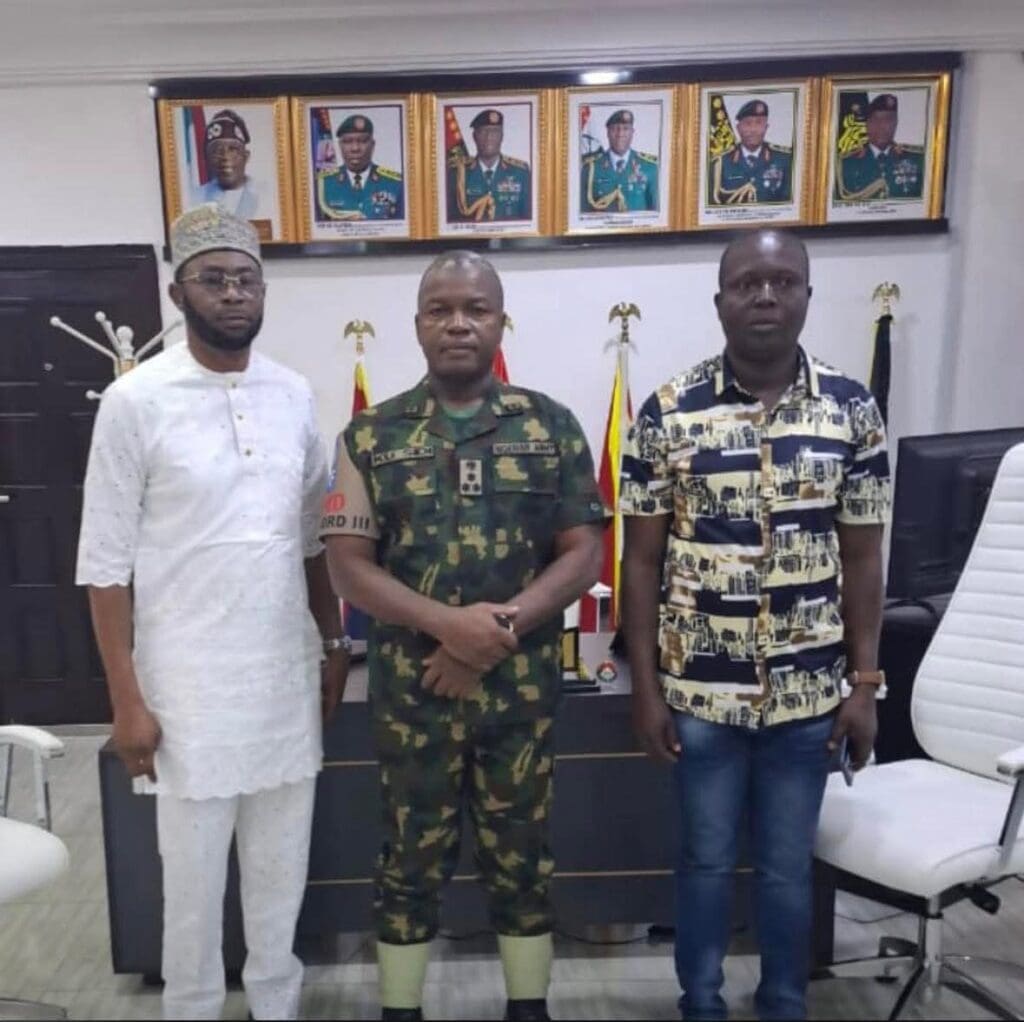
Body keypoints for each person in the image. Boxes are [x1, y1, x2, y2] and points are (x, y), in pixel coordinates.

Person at [76, 203, 350, 1020]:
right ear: (178, 290)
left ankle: (277, 1007)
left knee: (279, 879)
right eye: (213, 279)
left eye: (245, 279)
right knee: (191, 893)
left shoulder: (295, 395)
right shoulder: (136, 402)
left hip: (281, 679)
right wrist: (126, 701)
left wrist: (331, 641)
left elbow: (311, 540)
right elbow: (102, 568)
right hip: (185, 690)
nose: (232, 294)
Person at [321, 251, 606, 1022]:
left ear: (499, 321)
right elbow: (348, 568)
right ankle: (402, 1011)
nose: (457, 323)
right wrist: (449, 629)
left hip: (520, 694)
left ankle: (527, 1008)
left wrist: (495, 632)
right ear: (417, 325)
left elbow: (584, 552)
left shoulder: (548, 427)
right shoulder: (371, 435)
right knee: (409, 858)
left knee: (522, 856)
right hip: (414, 696)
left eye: (475, 309)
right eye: (440, 309)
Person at [620, 228, 890, 1021]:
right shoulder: (667, 412)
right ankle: (698, 1005)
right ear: (720, 301)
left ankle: (782, 1006)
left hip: (808, 696)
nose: (765, 296)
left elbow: (865, 557)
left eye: (782, 282)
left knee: (783, 870)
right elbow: (639, 562)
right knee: (702, 863)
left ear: (807, 295)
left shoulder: (851, 410)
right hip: (700, 696)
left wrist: (866, 683)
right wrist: (645, 688)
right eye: (747, 283)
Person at [447, 109, 532, 222]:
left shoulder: (521, 173)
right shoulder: (456, 174)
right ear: (474, 136)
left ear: (502, 136)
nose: (489, 137)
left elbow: (528, 221)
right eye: (483, 131)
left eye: (495, 131)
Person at [837, 93, 925, 201]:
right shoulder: (845, 163)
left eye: (888, 120)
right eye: (876, 120)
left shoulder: (917, 159)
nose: (882, 126)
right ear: (867, 124)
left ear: (896, 123)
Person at [319, 114, 405, 221]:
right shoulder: (324, 182)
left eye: (362, 141)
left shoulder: (395, 183)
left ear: (373, 145)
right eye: (348, 142)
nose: (355, 148)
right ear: (340, 146)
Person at [710, 99, 793, 205]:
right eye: (748, 123)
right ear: (738, 128)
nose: (753, 129)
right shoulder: (721, 163)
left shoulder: (785, 160)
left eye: (759, 123)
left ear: (766, 127)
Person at [580, 109, 659, 213]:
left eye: (625, 129)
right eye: (615, 129)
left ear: (632, 132)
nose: (620, 133)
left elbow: (656, 215)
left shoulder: (650, 167)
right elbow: (582, 214)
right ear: (607, 132)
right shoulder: (590, 168)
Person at [193, 108, 263, 220]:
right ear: (206, 158)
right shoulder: (194, 198)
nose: (225, 157)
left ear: (246, 156)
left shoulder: (267, 195)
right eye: (217, 150)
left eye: (232, 149)